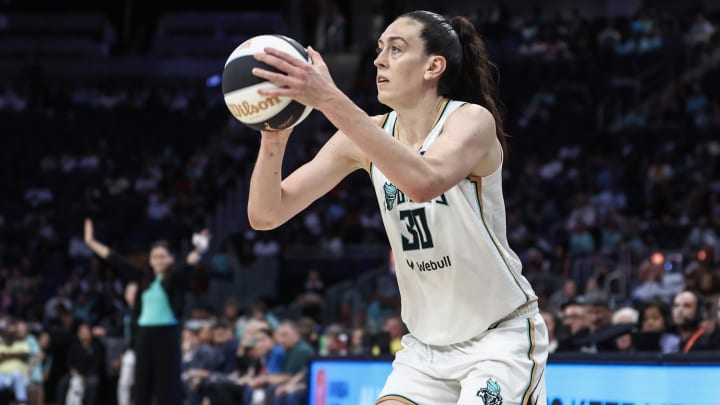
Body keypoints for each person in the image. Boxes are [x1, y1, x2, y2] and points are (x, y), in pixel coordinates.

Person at [248, 9, 548, 404]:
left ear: (433, 66)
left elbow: (423, 181)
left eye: (396, 48)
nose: (379, 60)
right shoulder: (362, 139)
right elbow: (266, 215)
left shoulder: (470, 121)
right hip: (425, 350)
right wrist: (275, 133)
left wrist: (328, 98)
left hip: (498, 339)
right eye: (378, 49)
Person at [83, 218, 208, 405]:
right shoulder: (143, 277)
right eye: (154, 257)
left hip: (167, 332)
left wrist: (200, 248)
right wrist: (91, 242)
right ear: (149, 260)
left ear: (171, 258)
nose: (158, 261)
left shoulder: (175, 278)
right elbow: (115, 259)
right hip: (144, 332)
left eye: (162, 256)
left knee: (167, 381)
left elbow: (189, 263)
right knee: (142, 381)